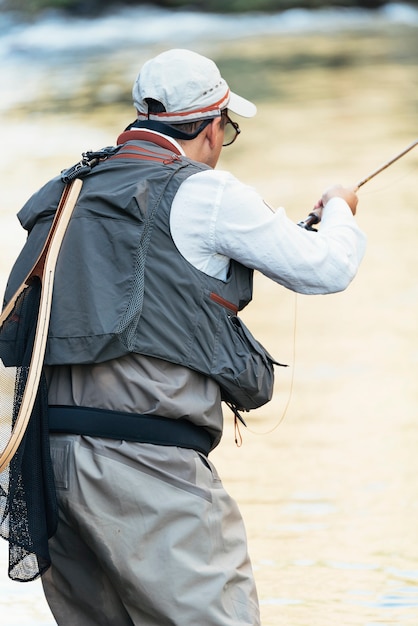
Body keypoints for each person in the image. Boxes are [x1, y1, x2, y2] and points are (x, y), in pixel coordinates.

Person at [3, 48, 366, 625]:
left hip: (49, 466)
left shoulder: (66, 191)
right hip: (145, 466)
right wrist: (341, 210)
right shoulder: (206, 192)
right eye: (230, 127)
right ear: (214, 123)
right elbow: (326, 268)